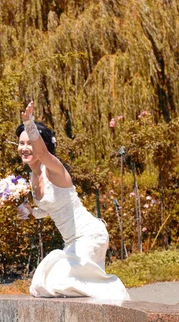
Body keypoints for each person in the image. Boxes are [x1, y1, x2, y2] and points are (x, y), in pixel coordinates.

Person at [16, 102, 130, 301]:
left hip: (89, 235)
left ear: (42, 146)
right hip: (72, 243)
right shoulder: (33, 178)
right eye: (21, 143)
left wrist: (29, 123)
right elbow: (53, 209)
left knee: (60, 283)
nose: (24, 148)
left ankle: (119, 303)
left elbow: (42, 154)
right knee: (43, 284)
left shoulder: (54, 169)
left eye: (29, 143)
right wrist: (32, 212)